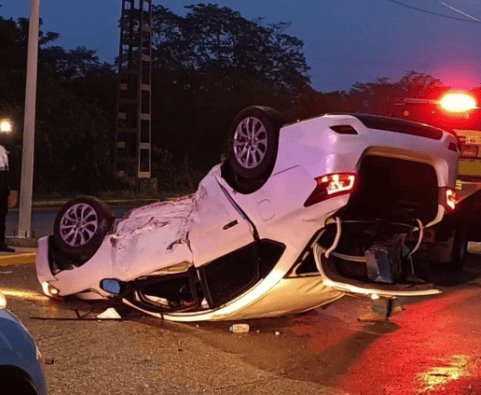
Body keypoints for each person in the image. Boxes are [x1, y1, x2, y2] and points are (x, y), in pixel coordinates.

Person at [0, 144, 15, 252]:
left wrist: (7, 189)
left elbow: (5, 173)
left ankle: (1, 243)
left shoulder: (2, 149)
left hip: (2, 189)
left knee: (1, 216)